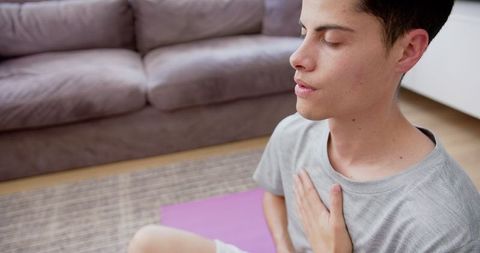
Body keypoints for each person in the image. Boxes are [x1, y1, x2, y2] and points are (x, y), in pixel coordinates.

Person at [128, 0, 480, 252]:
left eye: (331, 40)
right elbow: (274, 196)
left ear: (406, 51)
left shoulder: (444, 227)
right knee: (149, 242)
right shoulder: (293, 133)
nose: (296, 57)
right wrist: (284, 246)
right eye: (303, 31)